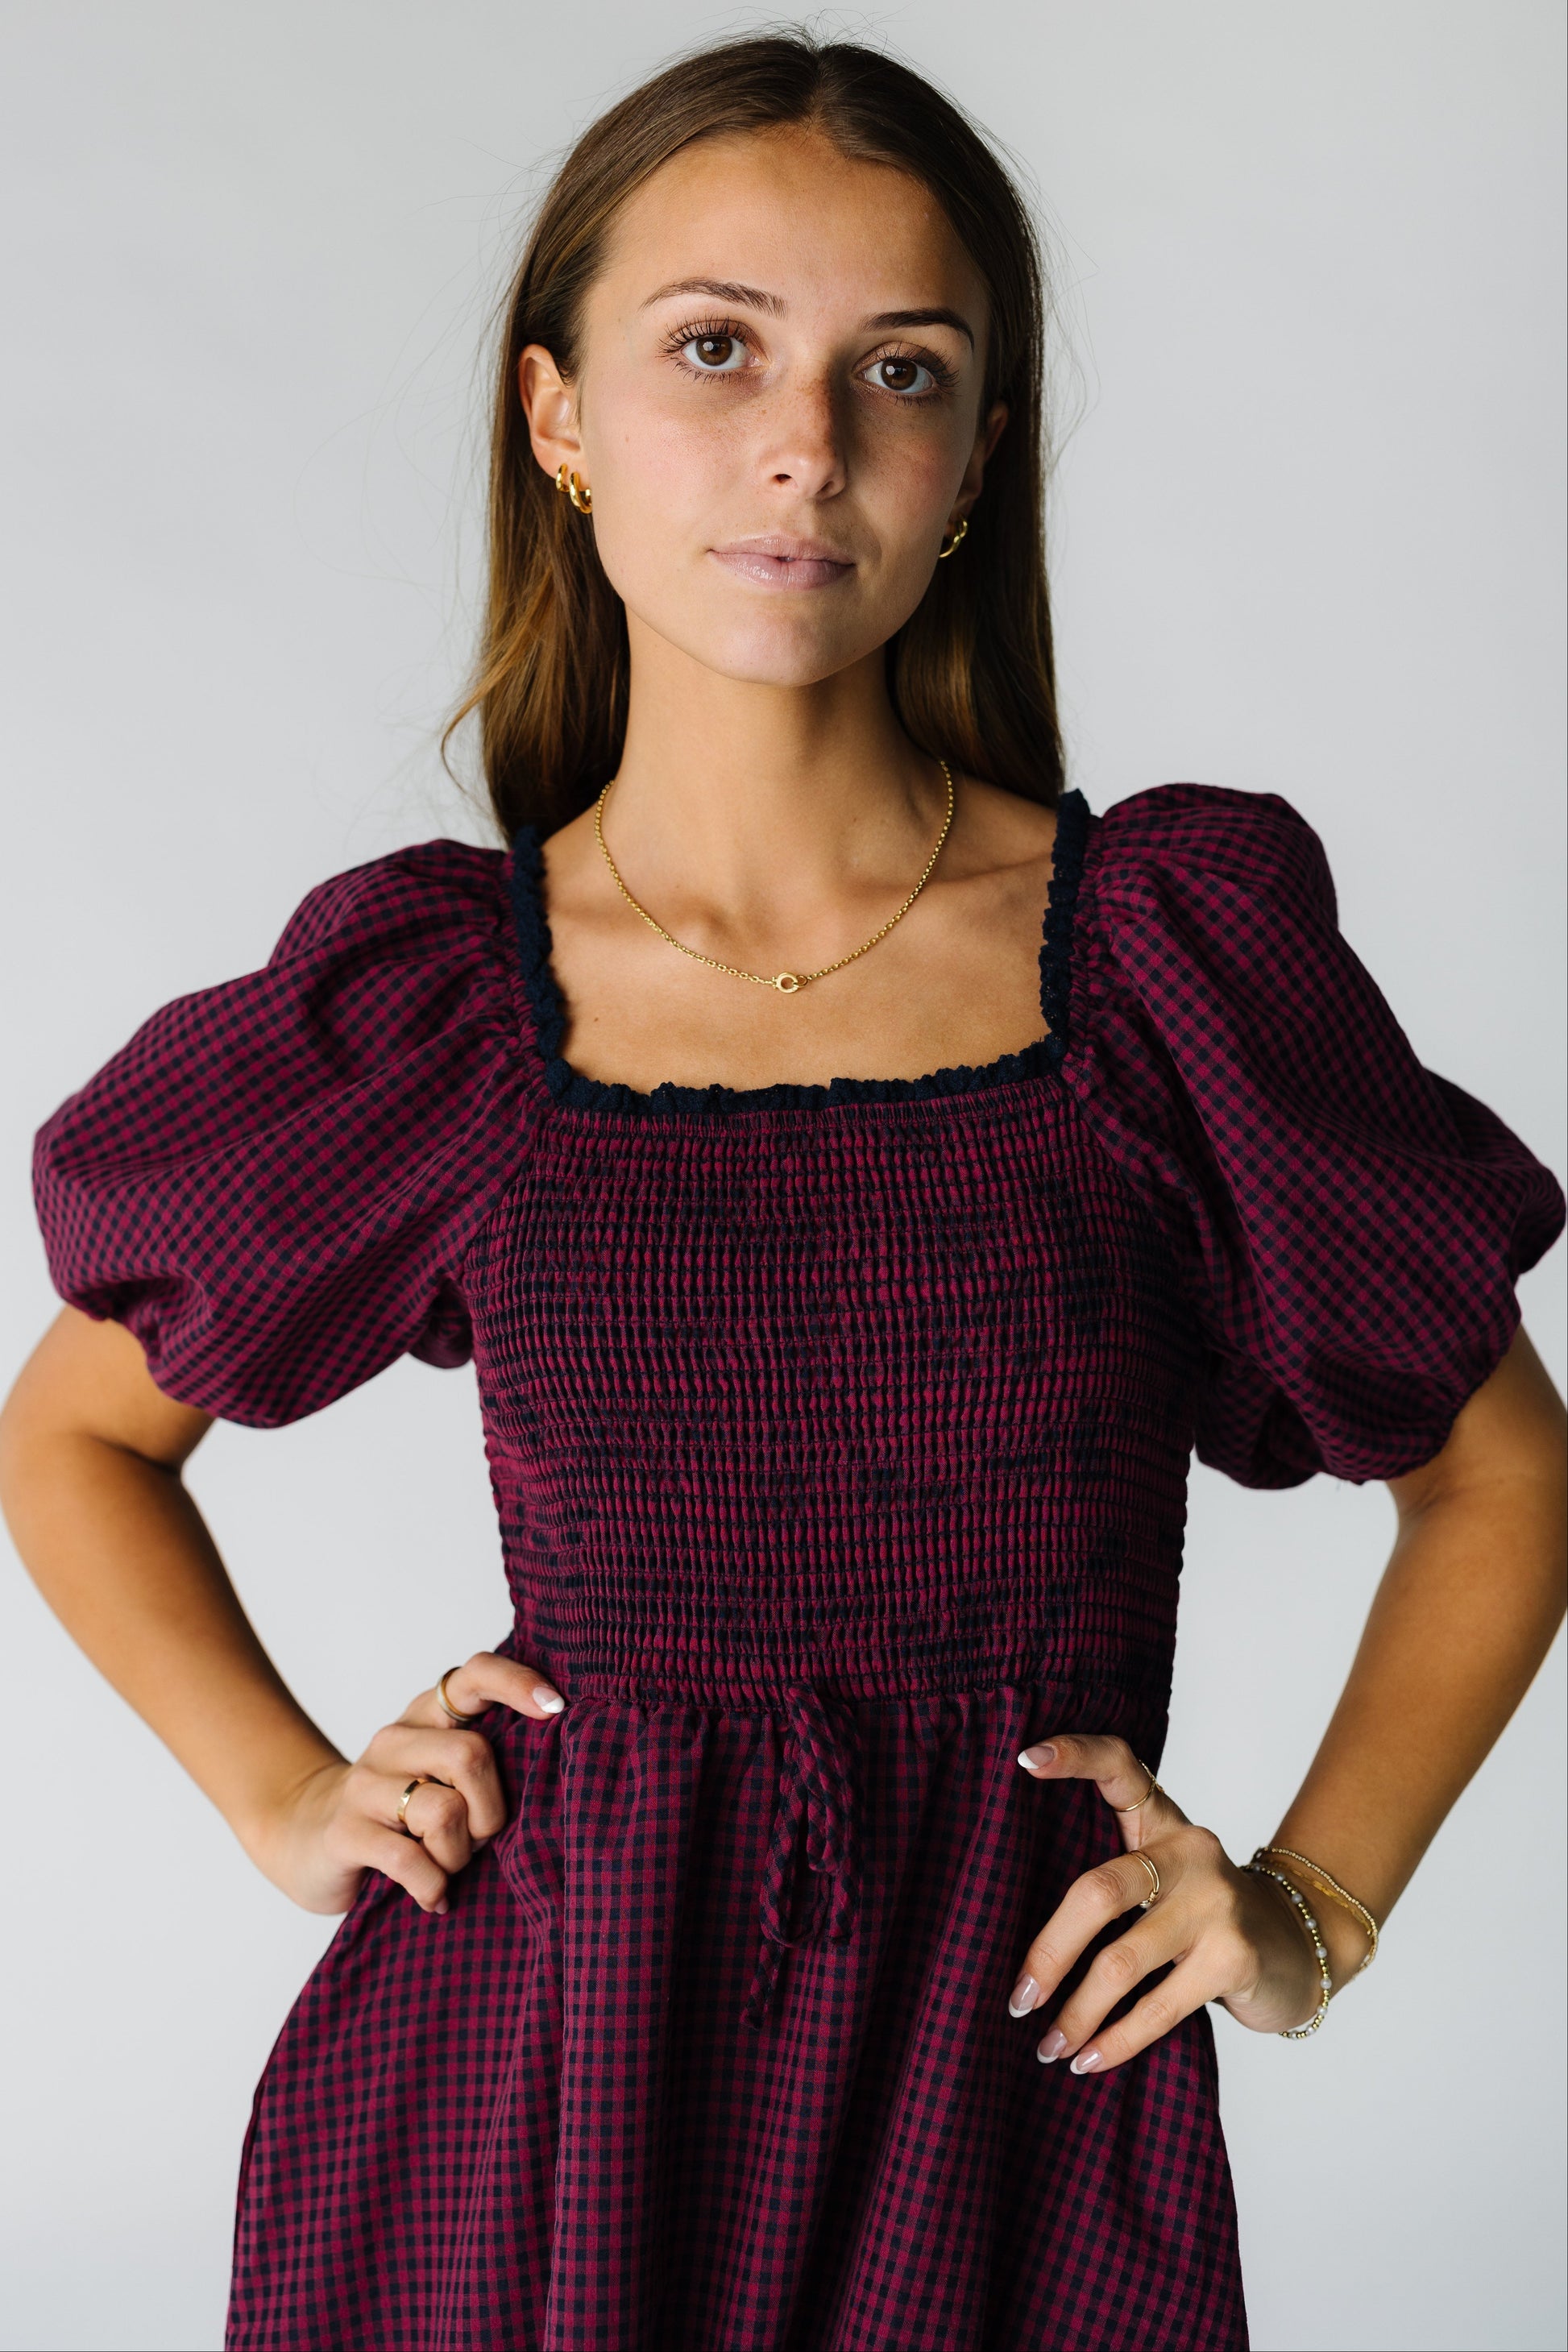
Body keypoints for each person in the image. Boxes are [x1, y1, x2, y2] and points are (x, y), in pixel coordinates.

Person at [2, 30, 1563, 2352]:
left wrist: (1307, 1913)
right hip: (521, 2124)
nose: (802, 447)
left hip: (1014, 2115)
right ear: (557, 420)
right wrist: (284, 1795)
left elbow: (1500, 1480)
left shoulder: (1158, 973)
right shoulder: (454, 1007)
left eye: (898, 371)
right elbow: (73, 1434)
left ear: (975, 456)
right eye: (713, 348)